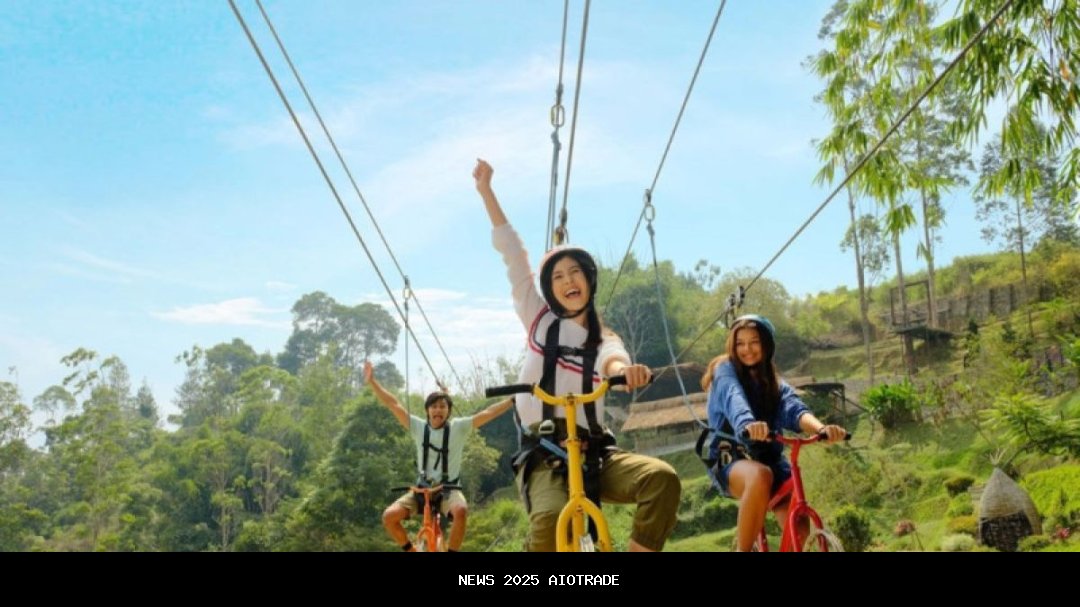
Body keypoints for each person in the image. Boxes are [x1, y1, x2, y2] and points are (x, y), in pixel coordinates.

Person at [473, 158, 680, 552]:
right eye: (559, 276)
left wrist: (625, 372)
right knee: (551, 520)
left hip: (594, 454)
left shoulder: (603, 336)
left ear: (588, 280)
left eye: (576, 273)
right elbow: (515, 257)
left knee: (662, 479)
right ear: (550, 288)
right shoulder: (537, 317)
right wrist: (487, 193)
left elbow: (613, 358)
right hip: (546, 455)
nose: (568, 282)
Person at [701, 314, 847, 552]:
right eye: (740, 343)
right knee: (760, 476)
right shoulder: (724, 371)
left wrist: (821, 429)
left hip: (769, 458)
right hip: (729, 457)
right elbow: (733, 397)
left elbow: (794, 408)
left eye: (754, 342)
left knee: (799, 531)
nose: (747, 349)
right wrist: (748, 424)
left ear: (767, 345)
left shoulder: (773, 381)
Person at [365, 360, 513, 552]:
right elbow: (394, 405)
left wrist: (511, 401)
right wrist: (373, 382)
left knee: (461, 511)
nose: (438, 410)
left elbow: (487, 413)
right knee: (389, 517)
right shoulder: (418, 428)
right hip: (422, 490)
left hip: (448, 489)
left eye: (443, 406)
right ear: (427, 410)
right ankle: (412, 550)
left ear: (448, 411)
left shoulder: (458, 428)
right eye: (434, 407)